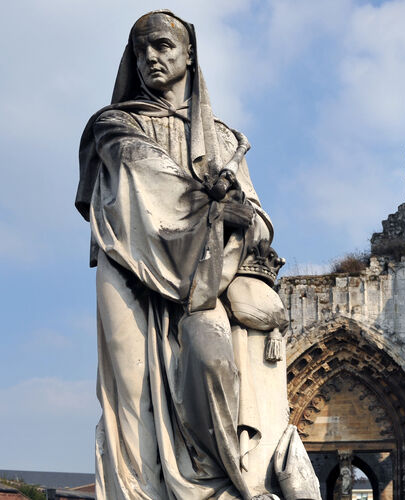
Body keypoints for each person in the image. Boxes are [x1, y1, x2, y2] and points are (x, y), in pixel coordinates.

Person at [76, 11, 281, 500]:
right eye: (141, 49)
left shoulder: (226, 141)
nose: (152, 57)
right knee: (132, 394)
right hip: (129, 265)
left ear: (190, 55)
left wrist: (241, 213)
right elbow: (143, 176)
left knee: (208, 367)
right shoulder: (112, 126)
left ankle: (216, 485)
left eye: (164, 46)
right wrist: (211, 206)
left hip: (201, 283)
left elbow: (261, 223)